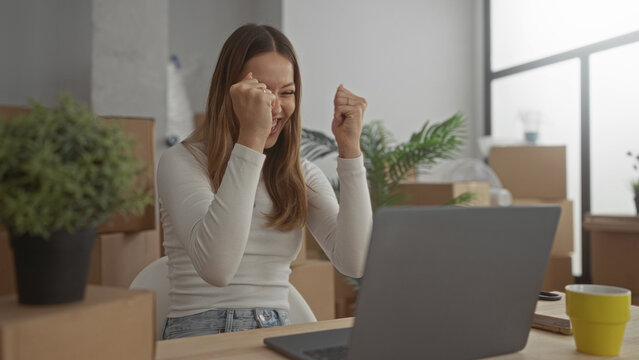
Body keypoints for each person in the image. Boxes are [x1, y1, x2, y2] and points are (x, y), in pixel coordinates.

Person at [157, 24, 372, 340]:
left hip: (277, 333)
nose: (275, 106)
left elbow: (356, 262)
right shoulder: (183, 161)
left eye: (286, 92)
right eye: (261, 92)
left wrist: (350, 151)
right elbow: (217, 268)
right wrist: (251, 139)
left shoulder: (298, 173)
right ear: (228, 92)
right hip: (200, 336)